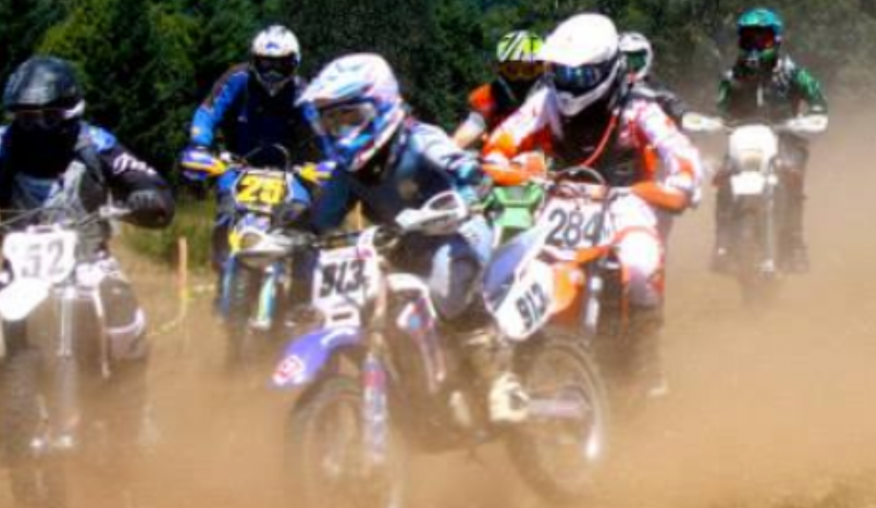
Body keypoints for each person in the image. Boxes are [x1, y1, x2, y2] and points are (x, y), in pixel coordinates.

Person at [300, 53, 529, 424]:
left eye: (351, 118)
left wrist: (467, 193)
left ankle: (501, 381)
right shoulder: (348, 172)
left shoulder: (420, 140)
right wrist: (290, 231)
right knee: (365, 304)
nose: (342, 132)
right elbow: (319, 220)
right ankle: (418, 389)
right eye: (332, 122)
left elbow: (470, 173)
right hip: (400, 246)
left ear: (380, 106)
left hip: (457, 229)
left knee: (445, 282)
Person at [483, 13, 702, 397]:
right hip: (561, 197)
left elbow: (678, 150)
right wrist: (509, 166)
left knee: (640, 261)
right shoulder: (546, 102)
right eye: (562, 72)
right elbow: (501, 141)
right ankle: (509, 357)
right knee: (512, 258)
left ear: (606, 69)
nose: (569, 83)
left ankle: (646, 360)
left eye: (581, 74)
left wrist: (681, 183)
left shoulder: (638, 106)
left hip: (625, 199)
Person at [0, 56, 174, 449]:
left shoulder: (96, 144)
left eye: (47, 116)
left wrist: (147, 195)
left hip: (89, 259)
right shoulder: (3, 143)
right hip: (20, 266)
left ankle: (131, 403)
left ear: (70, 112)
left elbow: (145, 177)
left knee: (121, 308)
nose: (36, 127)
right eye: (26, 117)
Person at [185, 24, 317, 272]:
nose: (272, 72)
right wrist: (199, 145)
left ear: (294, 62)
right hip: (238, 165)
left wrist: (331, 159)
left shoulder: (304, 91)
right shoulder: (238, 79)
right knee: (228, 208)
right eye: (265, 63)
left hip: (290, 172)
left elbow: (323, 129)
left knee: (301, 216)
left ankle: (303, 287)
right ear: (254, 61)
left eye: (281, 64)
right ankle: (223, 269)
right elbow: (207, 112)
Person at [712, 8, 828, 274]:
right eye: (748, 39)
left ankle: (795, 243)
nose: (754, 45)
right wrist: (719, 121)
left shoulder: (793, 73)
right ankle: (721, 245)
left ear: (775, 39)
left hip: (786, 136)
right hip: (745, 137)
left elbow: (818, 101)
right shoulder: (733, 76)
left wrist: (811, 118)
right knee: (724, 178)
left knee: (792, 175)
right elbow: (720, 106)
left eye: (761, 38)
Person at [452, 30, 545, 149]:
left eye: (529, 70)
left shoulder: (555, 97)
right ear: (500, 70)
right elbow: (473, 126)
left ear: (542, 69)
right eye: (512, 70)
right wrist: (449, 149)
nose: (520, 77)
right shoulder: (489, 95)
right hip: (497, 157)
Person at [619, 31, 689, 125]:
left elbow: (678, 107)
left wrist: (678, 110)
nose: (630, 66)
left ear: (648, 58)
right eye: (624, 60)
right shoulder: (607, 84)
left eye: (636, 60)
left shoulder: (657, 87)